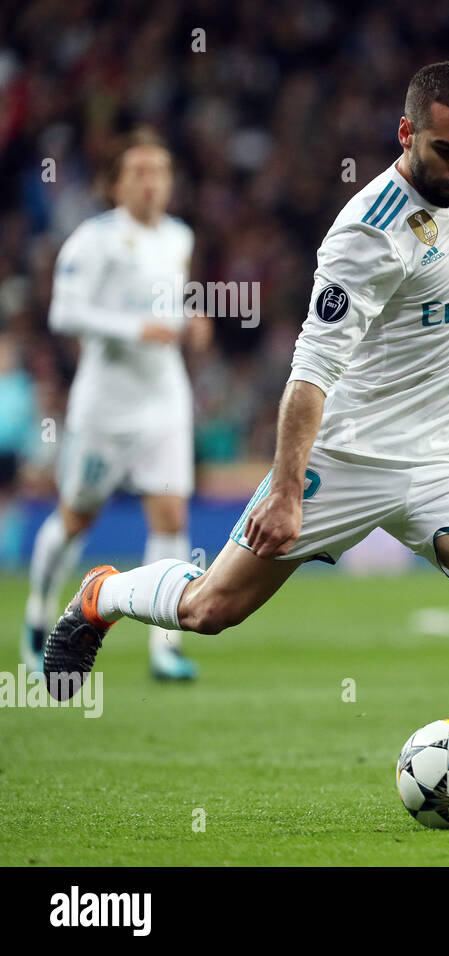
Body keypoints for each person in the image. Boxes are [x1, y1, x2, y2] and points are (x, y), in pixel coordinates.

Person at [44, 60, 449, 816]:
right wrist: (287, 490)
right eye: (447, 151)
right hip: (344, 461)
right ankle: (102, 594)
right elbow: (309, 374)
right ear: (406, 132)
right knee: (210, 611)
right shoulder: (365, 235)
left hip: (447, 463)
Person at [25, 129, 210, 678]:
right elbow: (63, 313)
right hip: (105, 407)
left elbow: (168, 308)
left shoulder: (179, 236)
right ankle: (38, 620)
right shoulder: (93, 238)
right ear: (116, 183)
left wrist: (189, 323)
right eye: (140, 172)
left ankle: (165, 649)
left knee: (171, 515)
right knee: (77, 516)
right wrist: (137, 328)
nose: (153, 183)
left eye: (161, 171)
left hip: (164, 401)